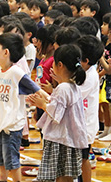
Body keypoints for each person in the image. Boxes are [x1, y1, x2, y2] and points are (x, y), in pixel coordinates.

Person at [28, 44, 88, 182]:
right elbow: (63, 106)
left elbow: (56, 114)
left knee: (60, 176)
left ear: (59, 65)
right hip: (69, 139)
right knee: (65, 175)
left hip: (61, 139)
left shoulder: (63, 88)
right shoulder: (72, 85)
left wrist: (42, 104)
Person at [0, 33, 41, 182]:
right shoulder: (2, 71)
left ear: (6, 52)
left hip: (12, 125)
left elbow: (36, 88)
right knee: (0, 160)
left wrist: (48, 101)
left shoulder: (17, 72)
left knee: (12, 161)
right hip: (2, 124)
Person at [77, 35, 104, 181]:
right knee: (80, 159)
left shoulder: (90, 75)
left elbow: (75, 96)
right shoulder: (86, 71)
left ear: (85, 61)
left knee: (83, 159)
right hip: (80, 124)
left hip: (85, 126)